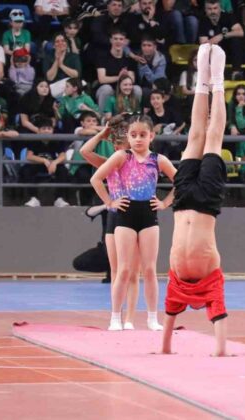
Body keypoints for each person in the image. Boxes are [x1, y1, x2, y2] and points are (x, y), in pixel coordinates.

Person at [159, 44, 230, 356]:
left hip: (184, 200)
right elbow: (219, 315)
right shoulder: (212, 283)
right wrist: (220, 350)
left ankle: (203, 80)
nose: (199, 305)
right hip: (206, 203)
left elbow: (170, 318)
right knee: (213, 138)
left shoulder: (177, 289)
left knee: (194, 138)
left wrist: (164, 348)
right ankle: (217, 81)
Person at [91, 114, 177, 331]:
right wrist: (110, 201)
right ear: (128, 137)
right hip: (125, 215)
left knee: (149, 269)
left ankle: (152, 318)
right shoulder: (122, 156)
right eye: (133, 135)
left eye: (142, 135)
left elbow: (182, 181)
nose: (138, 139)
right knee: (124, 270)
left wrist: (166, 202)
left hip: (148, 215)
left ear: (152, 136)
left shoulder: (158, 160)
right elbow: (96, 179)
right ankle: (115, 318)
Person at [80, 116, 140, 329]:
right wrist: (101, 134)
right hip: (115, 216)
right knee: (116, 270)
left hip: (135, 216)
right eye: (113, 143)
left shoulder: (138, 161)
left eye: (118, 143)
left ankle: (130, 319)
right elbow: (84, 152)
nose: (115, 146)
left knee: (133, 271)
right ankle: (116, 316)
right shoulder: (109, 164)